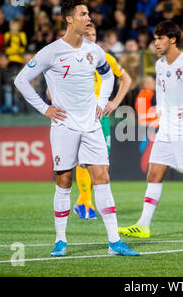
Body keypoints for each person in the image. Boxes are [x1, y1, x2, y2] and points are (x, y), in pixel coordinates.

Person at [13, 0, 139, 257]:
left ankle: (114, 242)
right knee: (64, 179)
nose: (88, 18)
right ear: (69, 19)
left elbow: (107, 76)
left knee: (103, 178)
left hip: (92, 124)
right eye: (83, 14)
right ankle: (60, 240)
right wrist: (45, 108)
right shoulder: (51, 51)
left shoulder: (94, 50)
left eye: (89, 13)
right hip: (64, 125)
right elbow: (21, 80)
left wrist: (102, 103)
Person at [118, 20, 183, 239]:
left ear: (173, 39)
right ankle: (143, 225)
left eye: (160, 38)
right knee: (154, 174)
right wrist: (159, 112)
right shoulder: (160, 65)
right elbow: (162, 92)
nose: (155, 43)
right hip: (166, 128)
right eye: (155, 38)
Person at [73, 22, 132, 220]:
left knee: (102, 165)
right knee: (83, 161)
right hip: (81, 116)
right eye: (87, 34)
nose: (90, 37)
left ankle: (83, 202)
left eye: (94, 34)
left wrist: (115, 102)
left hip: (102, 117)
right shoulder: (72, 58)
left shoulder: (105, 58)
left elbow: (127, 79)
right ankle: (86, 202)